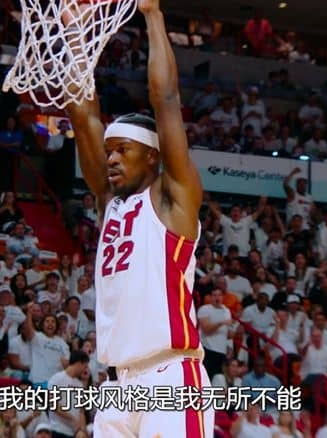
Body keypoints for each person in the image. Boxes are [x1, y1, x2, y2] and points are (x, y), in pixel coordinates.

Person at [65, 0, 213, 436]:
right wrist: (74, 34)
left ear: (151, 156)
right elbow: (82, 115)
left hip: (170, 375)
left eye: (122, 150)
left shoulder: (174, 198)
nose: (110, 158)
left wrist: (152, 15)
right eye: (108, 151)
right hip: (116, 387)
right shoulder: (108, 201)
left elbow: (165, 99)